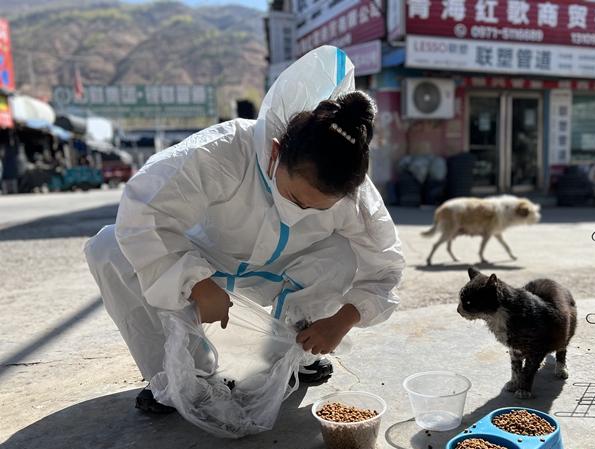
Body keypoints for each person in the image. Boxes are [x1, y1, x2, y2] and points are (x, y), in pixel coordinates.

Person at [85, 46, 405, 414]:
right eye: (296, 199)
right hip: (212, 262)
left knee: (344, 252)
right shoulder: (221, 152)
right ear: (274, 152)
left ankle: (295, 357)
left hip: (287, 270)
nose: (299, 214)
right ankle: (179, 377)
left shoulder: (355, 193)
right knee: (109, 248)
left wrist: (343, 320)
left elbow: (386, 266)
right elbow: (143, 212)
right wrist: (197, 282)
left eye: (319, 208)